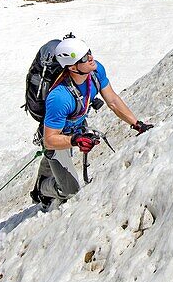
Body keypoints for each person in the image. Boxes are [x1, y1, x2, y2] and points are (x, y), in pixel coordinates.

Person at [32, 37, 153, 208]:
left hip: (77, 126)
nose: (90, 58)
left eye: (88, 52)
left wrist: (137, 124)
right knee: (70, 191)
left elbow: (112, 100)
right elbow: (50, 140)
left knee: (57, 160)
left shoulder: (95, 72)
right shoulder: (59, 97)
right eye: (83, 57)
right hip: (60, 135)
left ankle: (50, 170)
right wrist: (74, 140)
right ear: (72, 67)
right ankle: (42, 189)